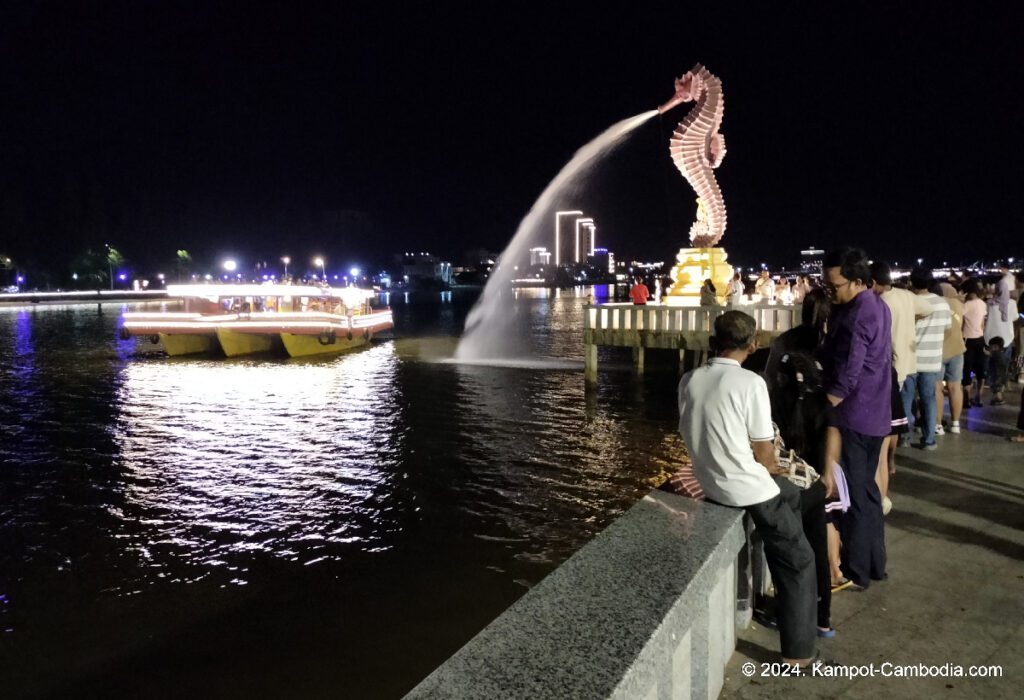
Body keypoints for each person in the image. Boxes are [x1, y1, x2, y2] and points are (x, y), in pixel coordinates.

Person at [678, 310, 816, 666]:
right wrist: (775, 466)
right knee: (801, 559)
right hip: (750, 489)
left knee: (793, 494)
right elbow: (763, 451)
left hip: (711, 485)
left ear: (712, 343)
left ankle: (781, 588)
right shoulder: (751, 383)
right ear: (753, 345)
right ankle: (798, 656)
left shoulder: (689, 380)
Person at [820, 247, 891, 591]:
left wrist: (824, 407)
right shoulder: (879, 305)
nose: (829, 292)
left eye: (834, 286)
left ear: (858, 281)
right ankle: (876, 563)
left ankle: (857, 569)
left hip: (854, 417)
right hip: (877, 414)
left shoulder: (854, 316)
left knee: (855, 496)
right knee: (869, 491)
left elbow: (847, 375)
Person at [903, 267, 951, 449]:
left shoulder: (909, 302)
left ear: (912, 282)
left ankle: (904, 437)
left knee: (906, 399)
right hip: (931, 360)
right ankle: (929, 439)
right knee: (928, 399)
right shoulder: (941, 303)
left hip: (909, 360)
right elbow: (946, 329)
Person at [934, 285, 965, 435]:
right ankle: (956, 423)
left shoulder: (934, 303)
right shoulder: (959, 305)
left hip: (938, 351)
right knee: (955, 387)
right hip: (958, 350)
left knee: (937, 388)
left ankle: (938, 425)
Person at [961, 278, 988, 407]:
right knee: (980, 369)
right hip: (980, 338)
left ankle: (966, 398)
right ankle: (979, 397)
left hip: (967, 339)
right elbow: (983, 323)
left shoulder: (966, 305)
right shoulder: (982, 304)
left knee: (967, 369)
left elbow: (960, 321)